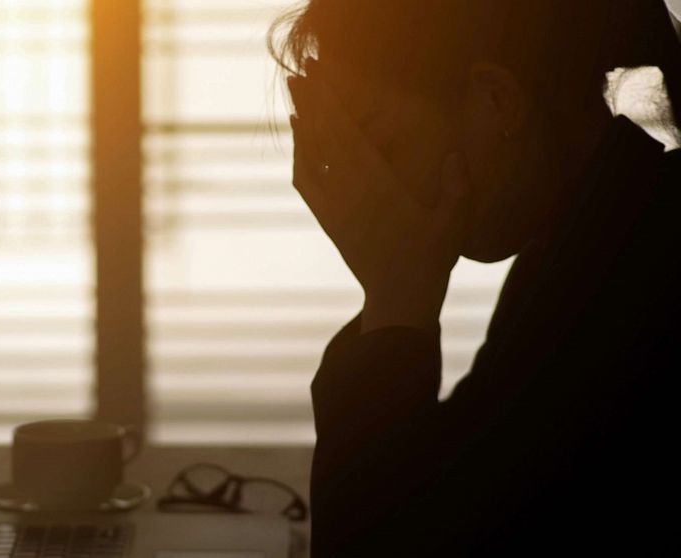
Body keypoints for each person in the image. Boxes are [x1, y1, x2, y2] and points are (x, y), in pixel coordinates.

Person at [271, 0, 681, 555]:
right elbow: (457, 472)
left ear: (496, 100)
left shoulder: (636, 277)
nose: (367, 186)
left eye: (380, 146)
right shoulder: (580, 243)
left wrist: (397, 302)